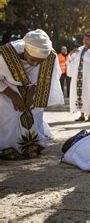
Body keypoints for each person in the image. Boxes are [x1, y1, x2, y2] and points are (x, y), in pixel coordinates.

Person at [0, 29, 64, 159]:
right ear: (25, 51)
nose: (35, 64)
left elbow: (45, 77)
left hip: (32, 88)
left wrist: (32, 92)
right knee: (10, 112)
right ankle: (6, 146)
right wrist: (13, 96)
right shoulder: (5, 55)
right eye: (32, 59)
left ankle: (31, 144)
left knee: (35, 110)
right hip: (7, 87)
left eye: (39, 62)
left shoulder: (49, 56)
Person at [68, 33, 90, 122]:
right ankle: (82, 115)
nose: (85, 41)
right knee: (80, 95)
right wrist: (72, 53)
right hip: (79, 76)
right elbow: (71, 60)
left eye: (87, 39)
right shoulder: (79, 49)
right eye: (84, 39)